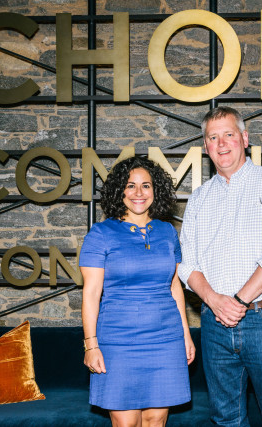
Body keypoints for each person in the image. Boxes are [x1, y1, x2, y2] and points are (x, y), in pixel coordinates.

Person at [178, 106, 262, 427]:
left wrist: (237, 301)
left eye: (229, 134)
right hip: (214, 322)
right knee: (226, 419)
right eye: (213, 137)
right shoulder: (198, 199)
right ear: (205, 146)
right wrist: (215, 301)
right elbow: (186, 264)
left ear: (245, 138)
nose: (221, 144)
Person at [79, 156, 195, 427]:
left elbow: (174, 287)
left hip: (166, 339)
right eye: (130, 185)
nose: (139, 193)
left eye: (146, 185)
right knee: (126, 422)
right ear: (119, 191)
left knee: (156, 420)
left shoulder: (167, 232)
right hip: (118, 341)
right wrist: (91, 345)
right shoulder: (101, 234)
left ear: (156, 190)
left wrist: (186, 335)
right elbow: (91, 294)